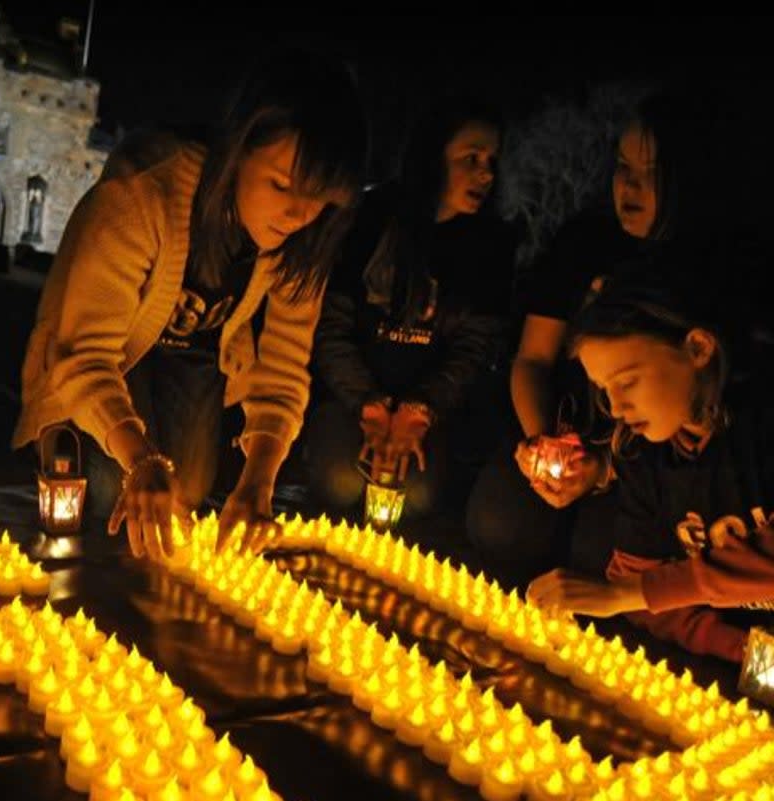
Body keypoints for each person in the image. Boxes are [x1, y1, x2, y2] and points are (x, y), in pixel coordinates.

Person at [11, 48, 368, 559]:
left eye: (319, 200)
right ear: (240, 147)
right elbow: (84, 355)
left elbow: (286, 367)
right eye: (282, 185)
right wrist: (140, 460)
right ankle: (62, 429)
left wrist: (259, 482)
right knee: (116, 493)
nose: (297, 214)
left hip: (193, 356)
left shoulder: (305, 240)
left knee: (186, 496)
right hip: (110, 354)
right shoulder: (142, 197)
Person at [465, 90, 717, 588]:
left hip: (641, 466)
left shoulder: (701, 272)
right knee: (497, 528)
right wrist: (547, 449)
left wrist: (604, 470)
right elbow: (532, 359)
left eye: (651, 173)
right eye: (623, 167)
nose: (630, 184)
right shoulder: (584, 243)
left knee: (596, 559)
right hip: (566, 431)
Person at [526, 272, 773, 663]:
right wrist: (748, 653)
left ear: (697, 348)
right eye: (604, 389)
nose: (617, 408)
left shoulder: (762, 425)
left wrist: (626, 594)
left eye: (628, 381)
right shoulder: (643, 453)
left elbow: (634, 592)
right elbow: (640, 592)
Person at [304, 97, 516, 523]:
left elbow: (472, 349)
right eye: (470, 158)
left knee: (416, 497)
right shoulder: (369, 219)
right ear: (432, 156)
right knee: (338, 480)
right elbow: (331, 325)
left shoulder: (491, 245)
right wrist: (368, 403)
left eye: (492, 160)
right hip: (353, 397)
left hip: (429, 410)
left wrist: (421, 409)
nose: (485, 173)